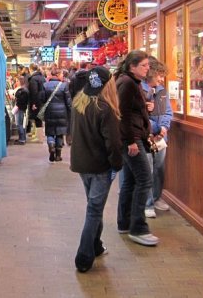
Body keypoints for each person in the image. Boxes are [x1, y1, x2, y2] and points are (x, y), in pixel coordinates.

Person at [70, 67, 123, 273]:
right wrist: (116, 165)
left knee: (94, 206)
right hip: (101, 167)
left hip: (82, 165)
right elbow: (114, 143)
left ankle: (96, 245)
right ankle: (84, 256)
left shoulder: (78, 103)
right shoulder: (105, 107)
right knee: (94, 210)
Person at [115, 50, 159, 246]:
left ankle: (125, 222)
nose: (148, 68)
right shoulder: (127, 84)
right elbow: (121, 114)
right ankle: (138, 227)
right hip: (132, 139)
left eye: (148, 65)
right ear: (133, 66)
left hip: (132, 137)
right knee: (144, 179)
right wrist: (131, 140)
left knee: (131, 181)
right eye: (144, 65)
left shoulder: (129, 82)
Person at [142, 57, 172, 218]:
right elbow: (140, 116)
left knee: (159, 169)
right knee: (148, 170)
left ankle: (156, 197)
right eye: (159, 75)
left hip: (161, 138)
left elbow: (168, 112)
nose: (161, 79)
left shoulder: (162, 91)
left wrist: (164, 128)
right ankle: (147, 203)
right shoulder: (140, 89)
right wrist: (154, 129)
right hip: (146, 137)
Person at [42, 66, 71, 162]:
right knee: (59, 134)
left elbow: (42, 100)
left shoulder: (45, 85)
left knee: (50, 132)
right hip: (62, 113)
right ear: (58, 75)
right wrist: (70, 112)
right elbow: (68, 101)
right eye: (62, 74)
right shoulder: (64, 86)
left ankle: (51, 145)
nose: (63, 76)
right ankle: (58, 155)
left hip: (49, 112)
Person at [27, 63, 46, 142]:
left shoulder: (33, 79)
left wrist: (34, 103)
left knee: (37, 119)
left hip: (36, 101)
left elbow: (34, 92)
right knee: (39, 118)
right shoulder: (42, 77)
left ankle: (39, 138)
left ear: (31, 69)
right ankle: (38, 136)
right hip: (42, 100)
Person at [13, 76, 29, 144]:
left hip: (20, 108)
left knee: (19, 124)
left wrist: (15, 98)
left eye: (17, 81)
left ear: (20, 82)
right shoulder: (25, 89)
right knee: (22, 124)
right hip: (23, 108)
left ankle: (21, 139)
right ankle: (22, 138)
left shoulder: (22, 91)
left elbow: (20, 100)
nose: (16, 82)